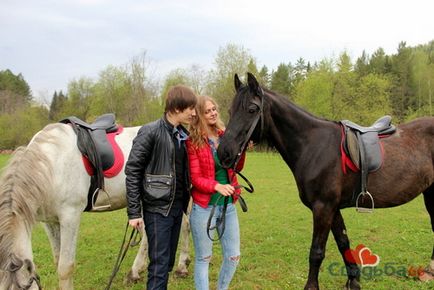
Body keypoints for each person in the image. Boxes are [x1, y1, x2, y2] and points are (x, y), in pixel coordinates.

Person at [125, 85, 197, 290]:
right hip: (157, 209)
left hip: (176, 208)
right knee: (158, 265)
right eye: (189, 108)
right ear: (175, 108)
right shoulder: (150, 131)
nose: (193, 113)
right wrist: (133, 212)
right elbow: (132, 171)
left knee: (166, 263)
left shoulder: (182, 134)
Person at [186, 95, 246, 290]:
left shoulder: (224, 135)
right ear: (199, 115)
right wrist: (216, 186)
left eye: (214, 109)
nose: (213, 113)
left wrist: (242, 150)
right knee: (204, 258)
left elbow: (237, 167)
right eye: (207, 111)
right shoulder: (193, 141)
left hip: (228, 206)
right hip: (204, 208)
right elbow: (195, 178)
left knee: (233, 256)